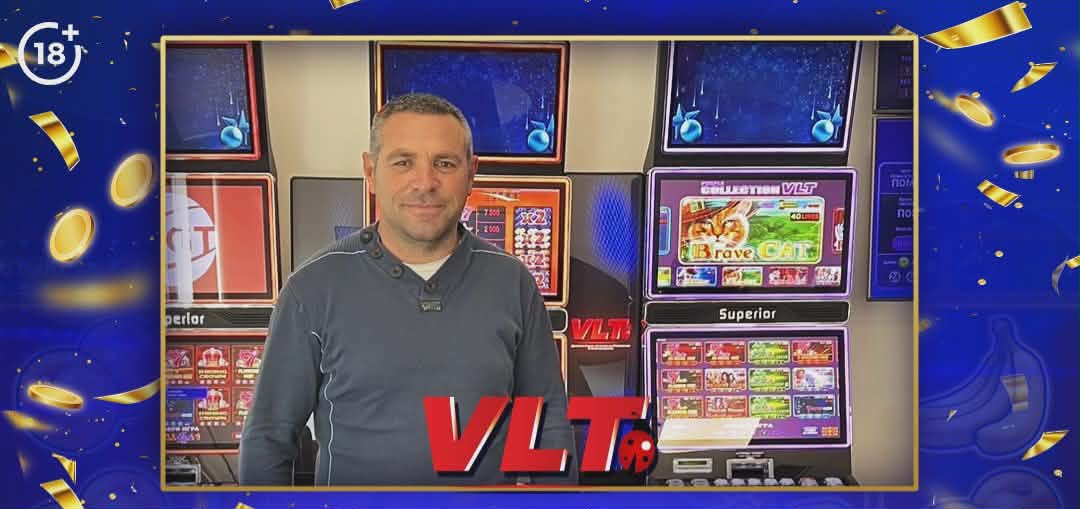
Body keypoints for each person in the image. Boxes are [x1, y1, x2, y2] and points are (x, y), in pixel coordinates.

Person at [238, 93, 576, 486]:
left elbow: (549, 424)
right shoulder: (311, 288)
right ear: (370, 171)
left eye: (444, 163)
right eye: (403, 162)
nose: (425, 183)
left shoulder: (513, 282)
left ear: (471, 173)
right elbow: (268, 438)